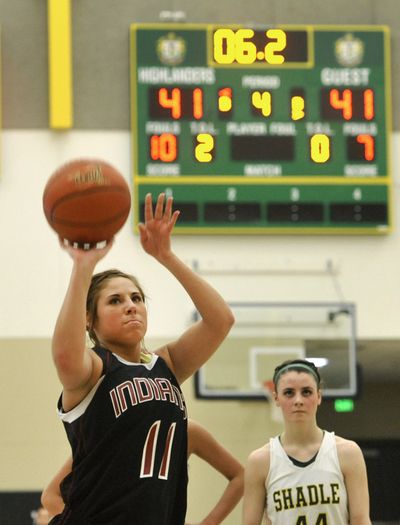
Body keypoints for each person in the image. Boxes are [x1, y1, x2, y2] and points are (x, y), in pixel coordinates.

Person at [48, 192, 234, 525]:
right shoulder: (94, 369)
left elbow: (221, 320)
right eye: (115, 301)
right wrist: (83, 266)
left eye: (136, 298)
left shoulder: (168, 365)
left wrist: (166, 255)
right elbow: (64, 356)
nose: (131, 305)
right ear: (89, 319)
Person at [242, 359, 371, 525]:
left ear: (319, 396)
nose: (298, 400)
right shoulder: (260, 461)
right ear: (276, 398)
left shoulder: (348, 453)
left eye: (306, 392)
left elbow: (360, 520)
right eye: (289, 392)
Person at [42, 419, 244, 524]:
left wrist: (210, 522)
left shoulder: (185, 430)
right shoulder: (106, 434)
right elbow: (51, 496)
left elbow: (240, 476)